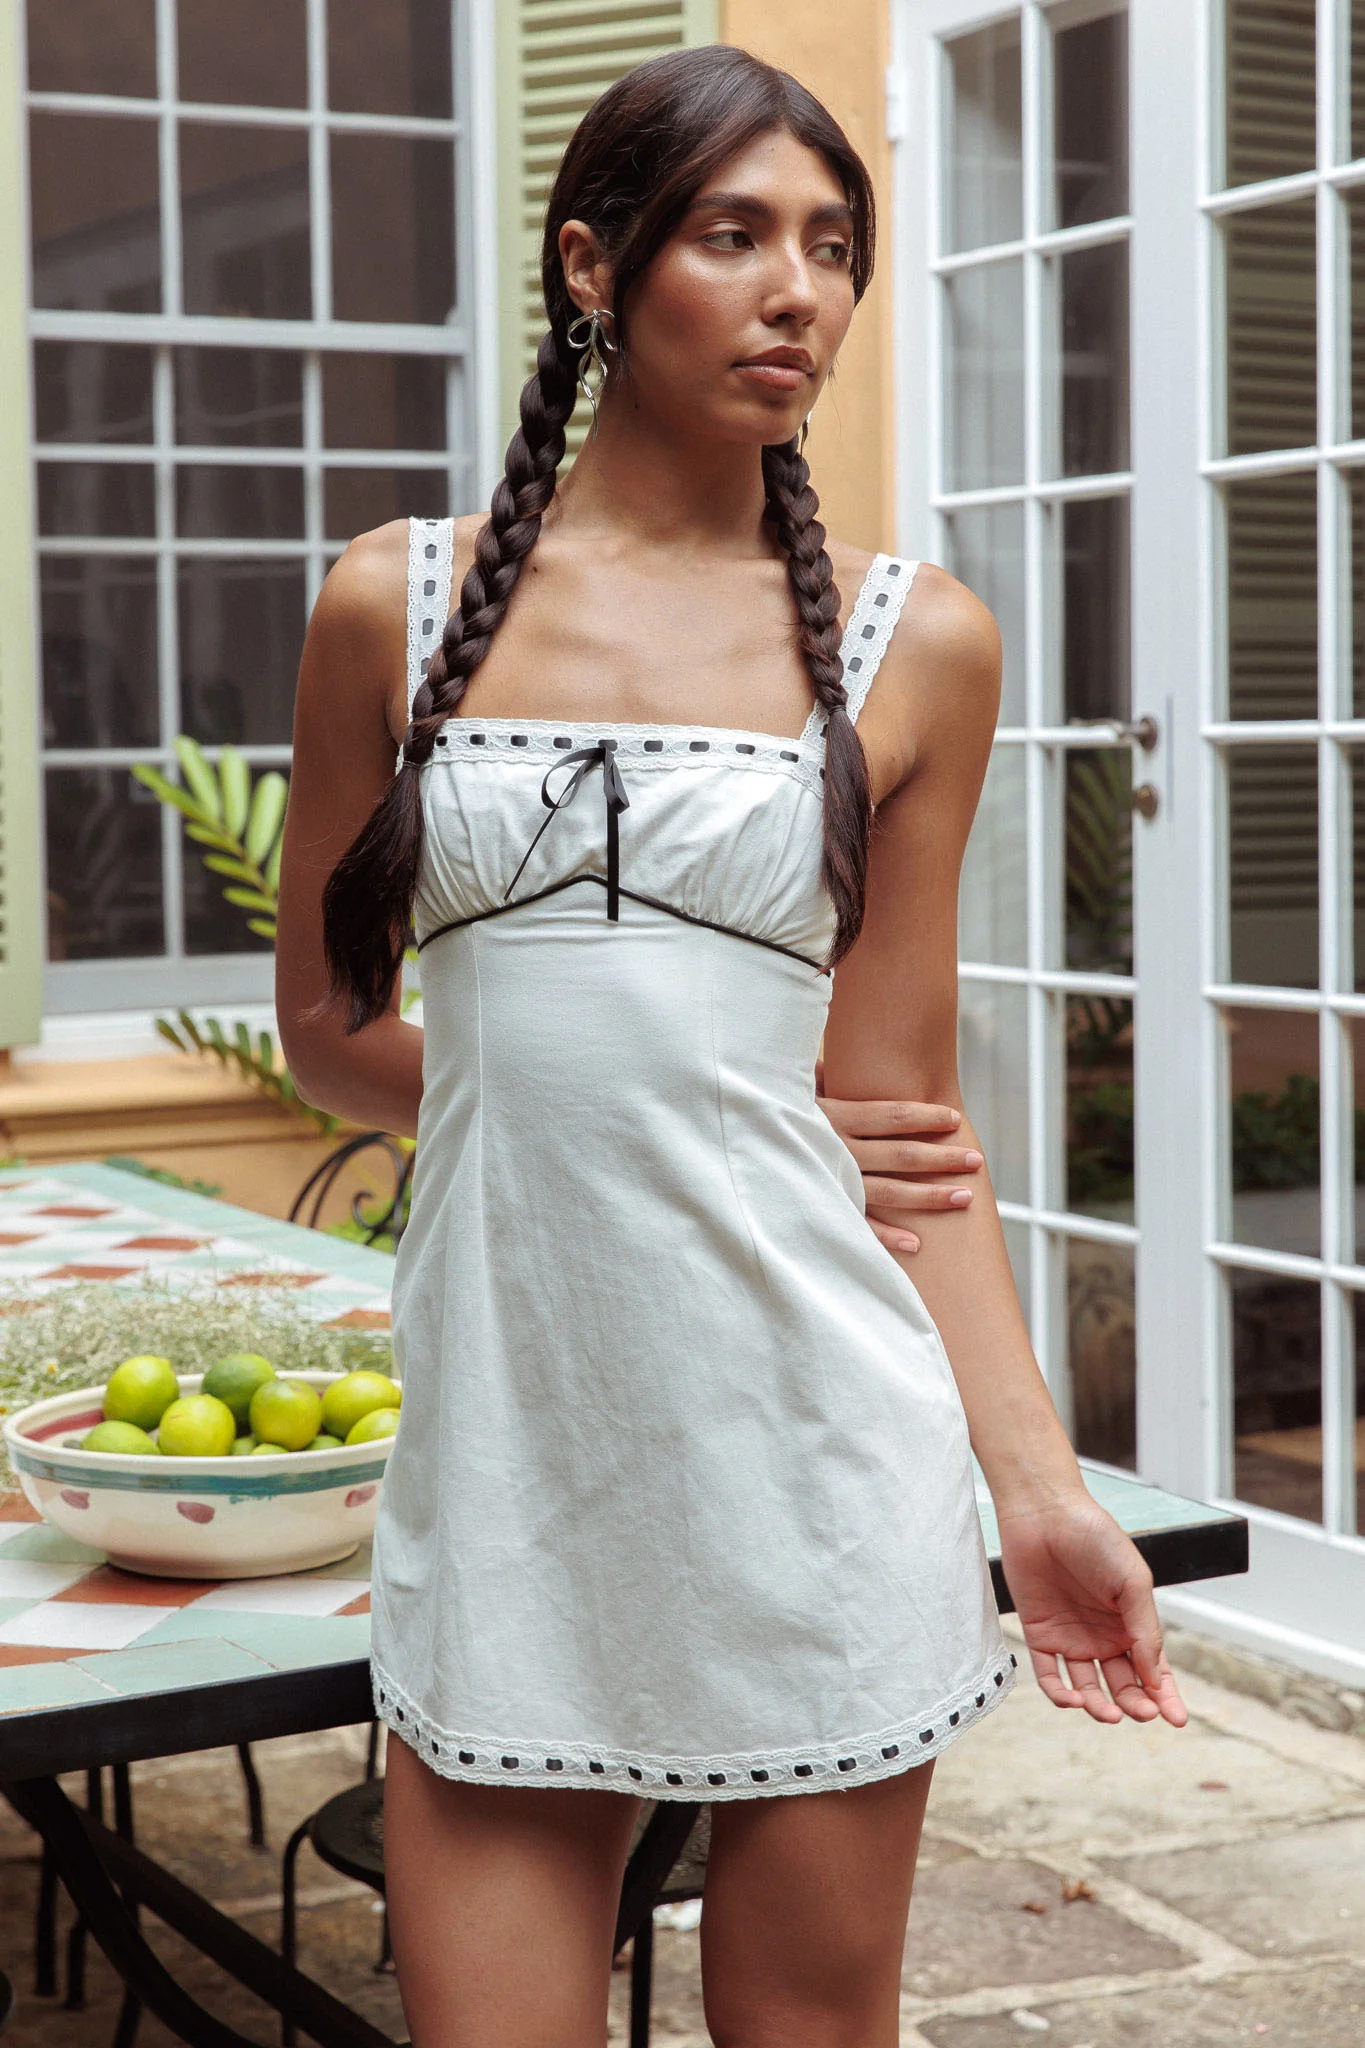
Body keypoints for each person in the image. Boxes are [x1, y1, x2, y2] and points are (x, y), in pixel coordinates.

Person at [276, 44, 1187, 2048]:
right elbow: (331, 1032)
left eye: (835, 247)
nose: (801, 292)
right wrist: (619, 1095)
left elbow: (898, 1127)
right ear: (592, 266)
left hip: (819, 1463)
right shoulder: (388, 609)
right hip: (512, 1475)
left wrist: (1037, 1490)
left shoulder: (915, 641)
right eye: (737, 235)